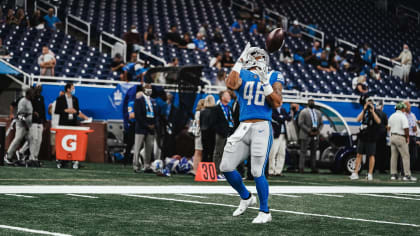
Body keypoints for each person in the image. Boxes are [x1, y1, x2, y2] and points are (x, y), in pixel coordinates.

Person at [220, 44, 283, 224]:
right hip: (243, 127)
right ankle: (246, 197)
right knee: (225, 166)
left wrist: (265, 83)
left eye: (259, 55)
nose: (256, 57)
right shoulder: (242, 73)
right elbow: (231, 84)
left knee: (256, 170)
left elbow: (277, 103)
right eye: (252, 54)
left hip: (262, 126)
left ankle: (265, 211)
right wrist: (239, 60)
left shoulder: (273, 75)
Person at [350, 98, 381, 180]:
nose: (368, 106)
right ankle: (355, 172)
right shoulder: (364, 112)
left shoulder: (375, 112)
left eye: (370, 104)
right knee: (358, 154)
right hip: (362, 136)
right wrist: (364, 110)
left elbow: (378, 121)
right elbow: (358, 119)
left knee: (371, 155)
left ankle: (370, 173)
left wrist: (373, 111)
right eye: (367, 104)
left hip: (371, 137)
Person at [3, 89, 33, 165]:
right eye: (32, 93)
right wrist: (12, 114)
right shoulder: (22, 100)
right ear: (28, 94)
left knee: (32, 139)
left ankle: (21, 152)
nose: (33, 95)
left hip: (27, 124)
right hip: (21, 123)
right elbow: (18, 112)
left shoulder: (30, 101)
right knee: (17, 139)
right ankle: (8, 155)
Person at [388, 103, 416, 181]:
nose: (404, 109)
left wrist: (391, 135)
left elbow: (388, 127)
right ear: (402, 109)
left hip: (392, 136)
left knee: (393, 156)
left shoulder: (392, 116)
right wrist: (407, 137)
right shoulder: (403, 116)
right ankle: (407, 175)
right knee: (405, 156)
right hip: (400, 137)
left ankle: (393, 174)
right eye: (403, 108)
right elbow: (406, 128)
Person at [133, 83, 157, 172]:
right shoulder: (138, 100)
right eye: (147, 87)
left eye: (150, 87)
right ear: (143, 89)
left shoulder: (153, 101)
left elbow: (156, 114)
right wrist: (147, 125)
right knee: (137, 147)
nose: (149, 89)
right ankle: (136, 166)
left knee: (149, 148)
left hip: (151, 127)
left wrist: (154, 124)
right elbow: (138, 115)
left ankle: (147, 166)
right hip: (141, 127)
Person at [54, 83, 80, 168]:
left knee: (72, 142)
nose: (74, 90)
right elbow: (57, 110)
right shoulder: (60, 99)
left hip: (73, 123)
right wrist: (66, 110)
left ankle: (73, 159)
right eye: (72, 88)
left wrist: (74, 111)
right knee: (63, 142)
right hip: (63, 123)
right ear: (68, 89)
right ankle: (61, 160)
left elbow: (77, 110)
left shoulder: (75, 99)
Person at [212, 90, 234, 180]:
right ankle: (216, 172)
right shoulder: (217, 108)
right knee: (218, 152)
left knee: (226, 154)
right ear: (222, 97)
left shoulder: (229, 108)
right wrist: (220, 130)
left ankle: (223, 171)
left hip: (229, 133)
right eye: (227, 95)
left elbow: (231, 120)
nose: (229, 97)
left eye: (229, 95)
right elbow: (214, 122)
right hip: (220, 133)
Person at [298, 99, 323, 173]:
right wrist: (309, 131)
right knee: (303, 151)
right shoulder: (303, 111)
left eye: (313, 102)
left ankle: (313, 167)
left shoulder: (318, 112)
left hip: (315, 134)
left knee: (314, 152)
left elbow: (321, 123)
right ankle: (301, 168)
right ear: (308, 103)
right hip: (305, 134)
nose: (312, 103)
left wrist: (318, 130)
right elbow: (300, 123)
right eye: (310, 102)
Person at [26, 84, 45, 166]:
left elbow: (43, 110)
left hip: (40, 122)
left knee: (39, 140)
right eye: (38, 87)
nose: (39, 89)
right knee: (34, 139)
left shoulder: (42, 98)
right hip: (33, 122)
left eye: (40, 88)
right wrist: (33, 113)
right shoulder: (32, 98)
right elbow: (28, 109)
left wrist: (44, 121)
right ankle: (31, 157)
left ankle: (36, 156)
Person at [269, 102, 291, 176]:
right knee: (273, 152)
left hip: (283, 134)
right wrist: (282, 118)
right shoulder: (271, 109)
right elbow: (276, 118)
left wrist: (282, 117)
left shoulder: (283, 109)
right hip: (276, 134)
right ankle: (271, 170)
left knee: (282, 153)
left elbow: (288, 118)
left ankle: (278, 171)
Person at [200, 95, 216, 162]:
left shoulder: (202, 111)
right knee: (211, 152)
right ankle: (211, 168)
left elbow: (200, 123)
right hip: (211, 133)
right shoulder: (214, 111)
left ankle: (203, 169)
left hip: (203, 132)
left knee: (204, 152)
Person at [374, 100, 388, 174]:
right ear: (382, 107)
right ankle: (381, 169)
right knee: (382, 153)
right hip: (382, 137)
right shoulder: (384, 114)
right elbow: (386, 126)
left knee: (373, 153)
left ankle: (372, 168)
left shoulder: (373, 113)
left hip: (373, 136)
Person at [192, 99, 205, 175]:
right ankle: (195, 170)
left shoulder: (199, 112)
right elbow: (199, 123)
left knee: (199, 152)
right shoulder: (199, 113)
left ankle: (198, 170)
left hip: (200, 133)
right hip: (199, 133)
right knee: (198, 152)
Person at [404, 100, 418, 171]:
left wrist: (415, 127)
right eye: (409, 106)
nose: (410, 107)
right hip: (406, 136)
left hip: (413, 137)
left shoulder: (413, 115)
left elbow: (415, 128)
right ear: (405, 107)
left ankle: (409, 169)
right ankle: (403, 171)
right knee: (405, 155)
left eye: (410, 106)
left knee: (414, 156)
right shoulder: (403, 115)